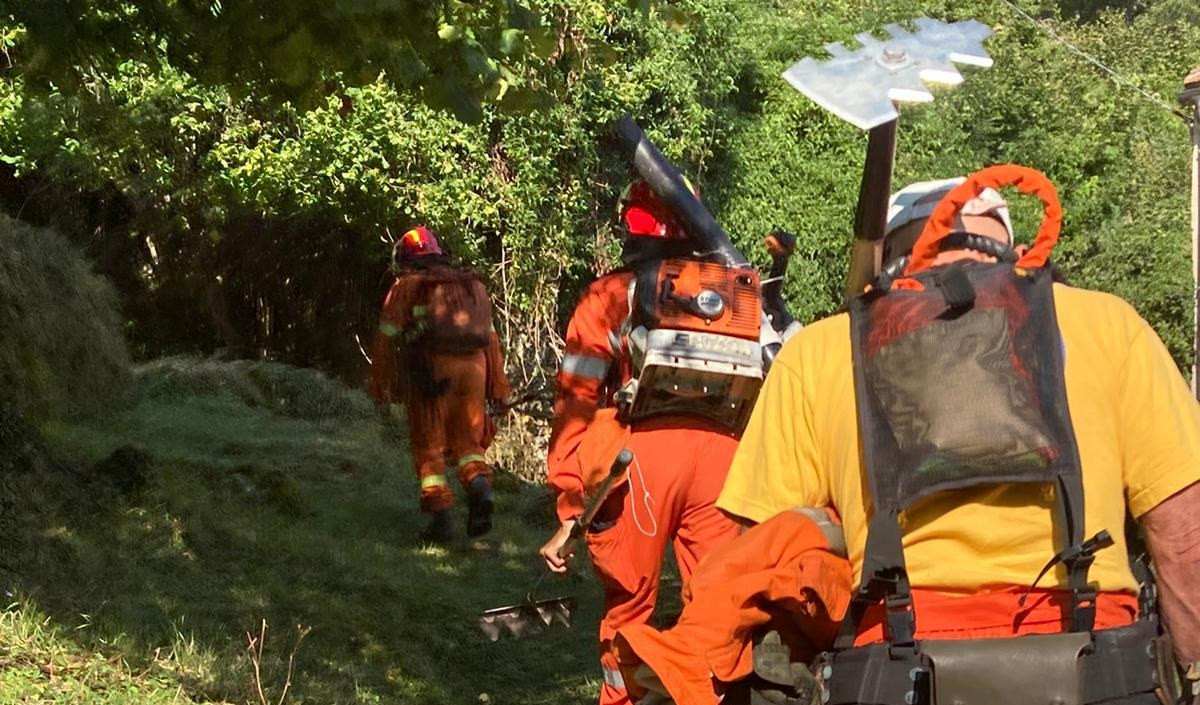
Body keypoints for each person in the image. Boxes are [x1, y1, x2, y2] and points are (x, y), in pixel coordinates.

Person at [716, 168, 1200, 704]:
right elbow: (1184, 532)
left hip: (893, 672)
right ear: (1010, 247)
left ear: (893, 252)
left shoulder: (820, 350)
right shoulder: (1108, 324)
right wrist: (1193, 671)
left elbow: (762, 557)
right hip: (1097, 665)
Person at [539, 179, 747, 705]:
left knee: (630, 605)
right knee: (720, 605)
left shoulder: (612, 295)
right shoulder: (734, 291)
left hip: (640, 460)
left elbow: (577, 398)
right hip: (724, 461)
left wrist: (570, 499)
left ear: (636, 229)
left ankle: (626, 698)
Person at [369, 225, 511, 543]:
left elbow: (385, 342)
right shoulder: (472, 286)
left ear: (406, 259)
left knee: (428, 447)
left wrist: (379, 388)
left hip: (432, 372)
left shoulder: (406, 287)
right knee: (468, 446)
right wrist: (499, 389)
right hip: (475, 370)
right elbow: (491, 341)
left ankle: (440, 518)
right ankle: (481, 488)